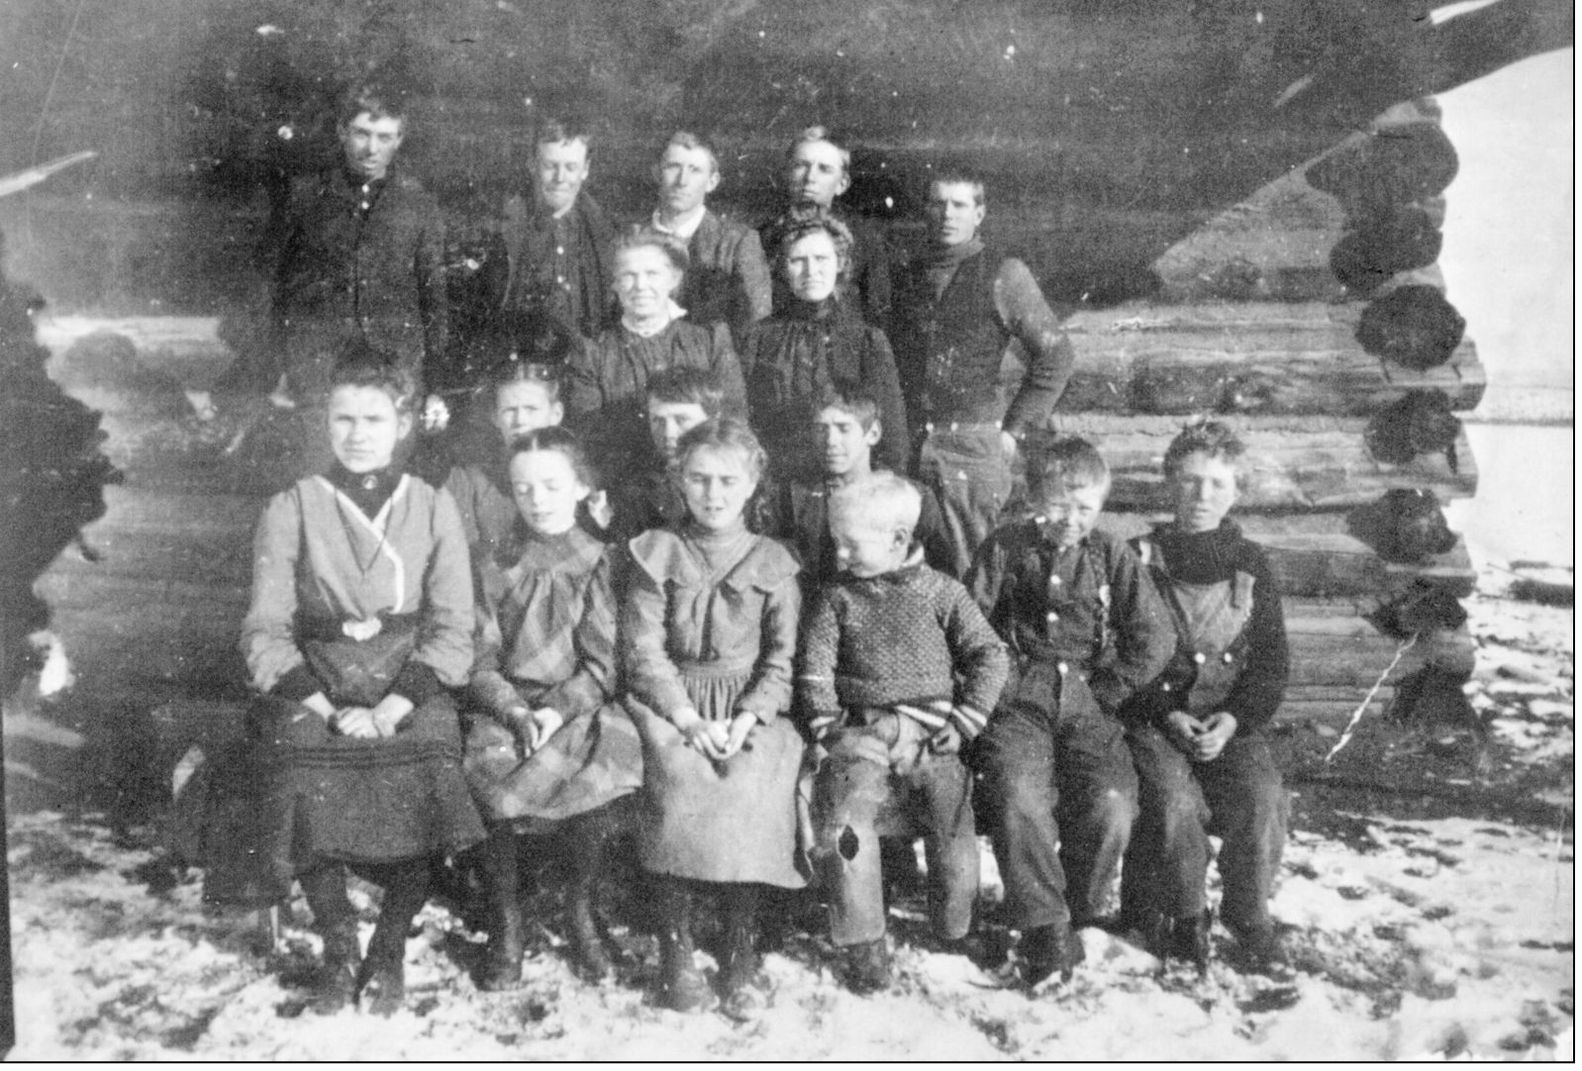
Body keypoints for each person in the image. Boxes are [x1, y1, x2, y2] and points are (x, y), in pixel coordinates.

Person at [221, 350, 484, 1016]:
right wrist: (326, 704)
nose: (358, 432)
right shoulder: (293, 504)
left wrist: (395, 705)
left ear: (403, 423)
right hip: (318, 674)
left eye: (374, 418)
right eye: (344, 418)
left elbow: (455, 629)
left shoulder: (432, 505)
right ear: (325, 422)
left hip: (408, 675)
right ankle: (339, 942)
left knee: (430, 765)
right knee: (298, 763)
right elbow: (264, 629)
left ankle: (388, 948)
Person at [967, 436, 1173, 988]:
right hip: (1018, 704)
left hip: (1090, 703)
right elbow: (968, 624)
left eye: (1085, 508)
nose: (1070, 519)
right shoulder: (1005, 548)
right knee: (1016, 793)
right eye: (1058, 504)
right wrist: (1003, 681)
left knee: (1112, 803)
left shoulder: (1110, 555)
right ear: (1033, 497)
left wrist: (1109, 690)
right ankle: (1043, 925)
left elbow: (1155, 637)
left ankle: (1078, 907)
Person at [621, 419, 806, 1016]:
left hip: (750, 708)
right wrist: (687, 719)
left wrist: (749, 718)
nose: (713, 493)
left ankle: (740, 948)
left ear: (752, 485)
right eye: (699, 479)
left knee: (755, 782)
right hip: (671, 703)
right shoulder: (656, 553)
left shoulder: (775, 562)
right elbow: (644, 652)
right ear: (679, 480)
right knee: (679, 778)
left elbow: (782, 660)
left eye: (728, 480)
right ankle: (674, 948)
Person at [797, 473, 1009, 993]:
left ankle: (956, 925)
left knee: (952, 817)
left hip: (930, 735)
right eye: (836, 541)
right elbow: (815, 669)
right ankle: (862, 938)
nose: (840, 553)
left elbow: (989, 654)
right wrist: (826, 724)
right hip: (860, 732)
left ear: (897, 539)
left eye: (851, 543)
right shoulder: (837, 598)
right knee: (846, 822)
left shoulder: (942, 592)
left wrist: (965, 721)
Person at [462, 428, 643, 989]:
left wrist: (556, 710)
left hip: (575, 704)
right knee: (484, 765)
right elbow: (478, 658)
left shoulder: (599, 561)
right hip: (504, 703)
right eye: (524, 489)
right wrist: (516, 711)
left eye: (551, 485)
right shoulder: (491, 561)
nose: (538, 499)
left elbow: (602, 666)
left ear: (583, 487)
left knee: (606, 755)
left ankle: (579, 908)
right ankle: (507, 919)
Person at [1120, 421, 1291, 974]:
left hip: (1225, 722)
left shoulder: (1253, 564)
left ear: (1236, 491)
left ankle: (1248, 914)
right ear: (1169, 484)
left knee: (1262, 798)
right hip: (1152, 718)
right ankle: (1183, 914)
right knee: (1173, 802)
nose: (1202, 497)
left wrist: (1234, 721)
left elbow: (1270, 664)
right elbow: (1113, 657)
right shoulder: (1135, 558)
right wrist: (1163, 712)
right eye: (1190, 481)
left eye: (1217, 484)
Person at [889, 168, 1077, 578]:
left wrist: (1014, 431)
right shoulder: (907, 274)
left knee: (972, 574)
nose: (947, 214)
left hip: (970, 452)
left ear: (979, 214)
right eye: (937, 203)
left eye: (959, 205)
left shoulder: (1003, 274)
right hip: (910, 447)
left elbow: (1056, 355)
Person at [265, 87, 448, 415]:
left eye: (384, 136)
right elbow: (274, 287)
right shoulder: (305, 196)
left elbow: (433, 297)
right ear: (342, 133)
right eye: (362, 134)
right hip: (318, 365)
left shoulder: (419, 206)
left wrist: (436, 385)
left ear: (400, 139)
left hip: (395, 363)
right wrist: (277, 366)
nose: (372, 149)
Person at [564, 229, 746, 476]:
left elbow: (734, 420)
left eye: (652, 274)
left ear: (673, 279)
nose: (641, 286)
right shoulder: (592, 351)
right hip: (628, 482)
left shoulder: (709, 339)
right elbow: (591, 437)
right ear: (614, 284)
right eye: (628, 275)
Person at [740, 216, 910, 479]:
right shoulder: (759, 338)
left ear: (840, 263)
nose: (811, 271)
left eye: (822, 259)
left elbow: (893, 437)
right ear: (783, 269)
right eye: (798, 261)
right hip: (781, 484)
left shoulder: (866, 340)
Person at [771, 381, 951, 588]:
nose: (831, 441)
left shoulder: (912, 496)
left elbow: (943, 575)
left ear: (873, 433)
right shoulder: (793, 497)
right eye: (821, 429)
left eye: (843, 428)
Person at [499, 116, 618, 343]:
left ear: (585, 169)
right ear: (532, 164)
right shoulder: (505, 229)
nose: (560, 178)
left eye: (571, 167)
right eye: (550, 166)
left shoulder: (606, 233)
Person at [648, 131, 772, 346]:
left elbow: (756, 329)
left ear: (712, 181)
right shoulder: (628, 238)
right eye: (673, 167)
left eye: (694, 170)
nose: (682, 181)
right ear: (657, 173)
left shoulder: (737, 242)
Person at [759, 126, 891, 326]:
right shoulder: (763, 237)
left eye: (824, 169)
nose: (810, 178)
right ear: (787, 174)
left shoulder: (865, 240)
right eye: (801, 166)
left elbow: (877, 313)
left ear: (842, 184)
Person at [443, 360, 567, 560]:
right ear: (495, 418)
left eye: (531, 409)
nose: (520, 421)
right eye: (510, 410)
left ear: (555, 414)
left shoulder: (575, 479)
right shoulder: (468, 483)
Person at [603, 366, 725, 544]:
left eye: (681, 420)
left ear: (713, 419)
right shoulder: (637, 488)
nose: (669, 433)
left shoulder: (738, 478)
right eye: (658, 421)